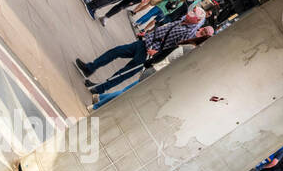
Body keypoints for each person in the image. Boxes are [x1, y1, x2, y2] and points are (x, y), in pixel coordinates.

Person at [73, 12, 212, 103]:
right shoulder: (181, 20)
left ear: (197, 20)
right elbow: (162, 30)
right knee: (115, 52)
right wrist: (146, 34)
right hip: (143, 43)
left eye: (194, 13)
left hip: (148, 54)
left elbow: (172, 50)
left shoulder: (188, 33)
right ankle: (90, 68)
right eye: (193, 10)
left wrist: (156, 54)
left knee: (123, 73)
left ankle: (98, 88)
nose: (190, 12)